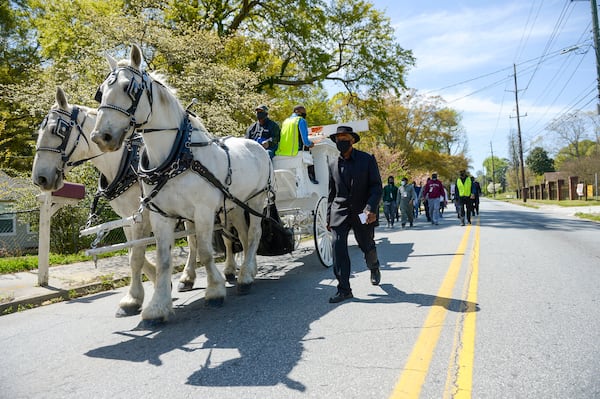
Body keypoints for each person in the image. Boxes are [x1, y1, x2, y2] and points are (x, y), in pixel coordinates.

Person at [327, 126, 382, 304]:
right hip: (340, 211)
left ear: (352, 140)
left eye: (344, 138)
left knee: (366, 244)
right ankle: (344, 289)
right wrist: (329, 217)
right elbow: (331, 193)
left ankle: (373, 266)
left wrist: (371, 208)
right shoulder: (332, 164)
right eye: (338, 138)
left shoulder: (367, 160)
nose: (341, 141)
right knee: (338, 246)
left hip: (363, 211)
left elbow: (376, 187)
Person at [275, 104, 318, 183]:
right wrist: (311, 144)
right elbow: (305, 141)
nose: (305, 113)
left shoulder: (285, 121)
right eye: (304, 111)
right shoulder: (301, 120)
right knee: (311, 156)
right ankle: (312, 179)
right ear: (297, 111)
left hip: (283, 152)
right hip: (296, 151)